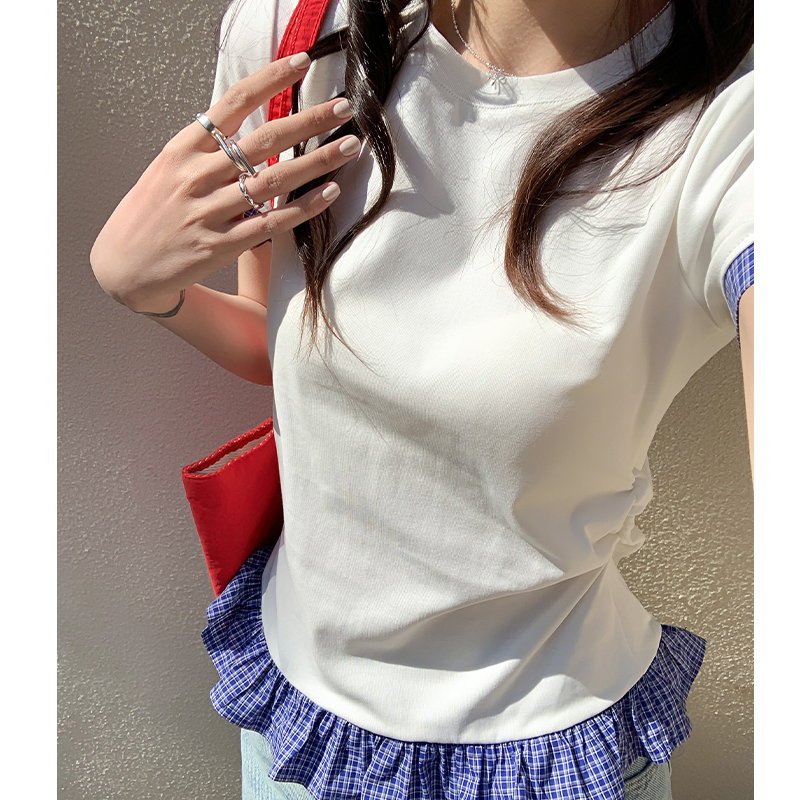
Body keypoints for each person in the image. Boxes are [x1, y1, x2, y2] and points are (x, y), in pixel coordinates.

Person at [90, 0, 754, 797]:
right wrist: (144, 287)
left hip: (544, 755)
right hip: (299, 737)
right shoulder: (297, 35)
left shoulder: (746, 119)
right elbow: (279, 342)